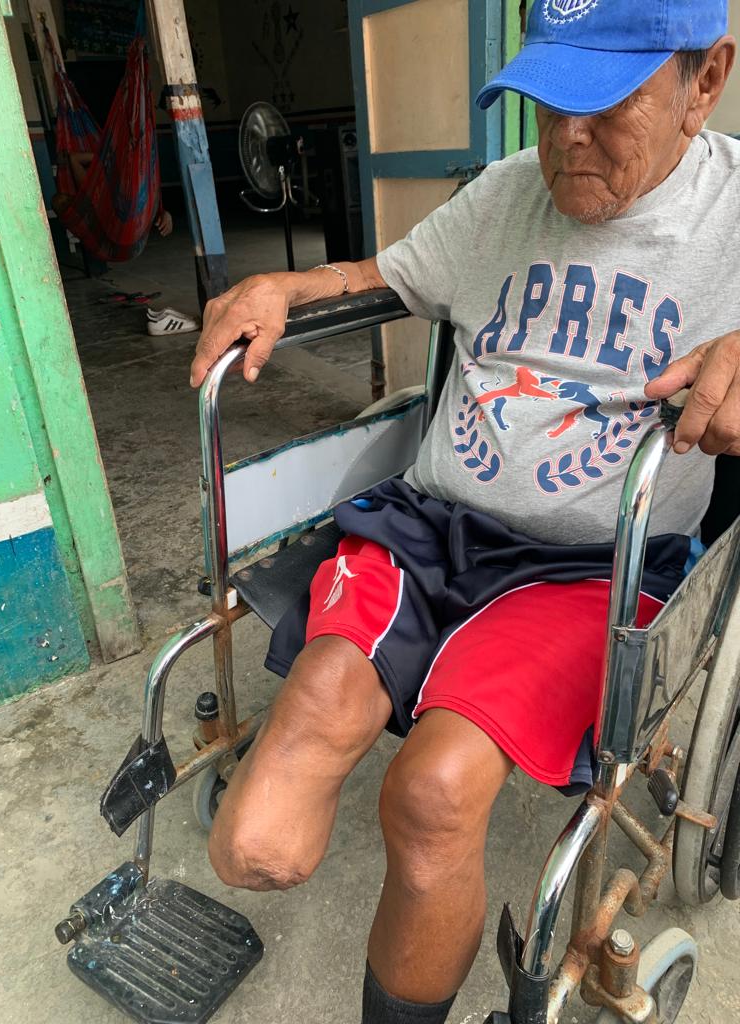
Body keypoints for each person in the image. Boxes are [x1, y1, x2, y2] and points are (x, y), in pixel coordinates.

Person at [190, 3, 740, 1022]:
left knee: (432, 793)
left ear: (704, 81)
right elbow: (382, 276)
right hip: (430, 526)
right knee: (259, 835)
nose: (567, 138)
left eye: (604, 102)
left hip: (593, 571)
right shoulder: (503, 192)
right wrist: (283, 284)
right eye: (548, 104)